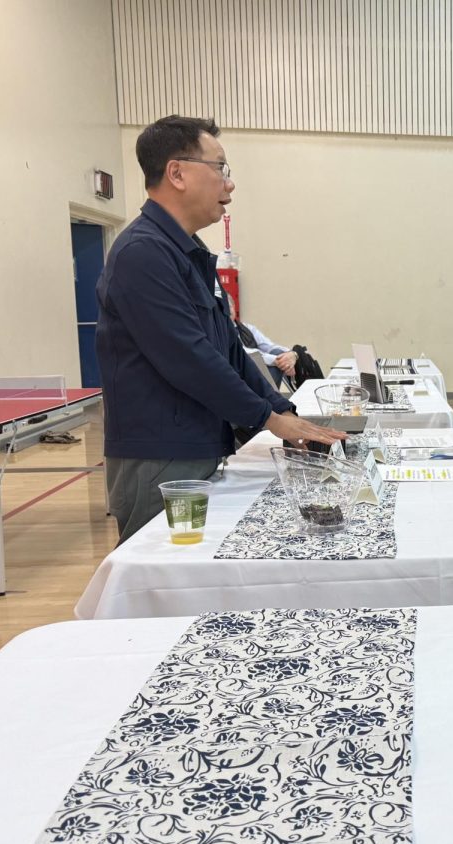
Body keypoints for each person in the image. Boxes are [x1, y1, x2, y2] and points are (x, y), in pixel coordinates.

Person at [96, 115, 344, 543]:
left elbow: (228, 349)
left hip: (194, 446)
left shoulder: (186, 254)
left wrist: (281, 411)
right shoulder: (143, 254)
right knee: (164, 579)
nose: (229, 185)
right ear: (177, 172)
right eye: (220, 168)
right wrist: (265, 417)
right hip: (161, 456)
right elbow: (189, 358)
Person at [235, 319, 299, 387]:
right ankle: (271, 395)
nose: (229, 310)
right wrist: (278, 361)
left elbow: (269, 345)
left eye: (231, 307)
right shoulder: (225, 331)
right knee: (278, 364)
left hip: (256, 370)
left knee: (279, 353)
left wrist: (291, 354)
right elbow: (245, 353)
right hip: (238, 374)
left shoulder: (245, 327)